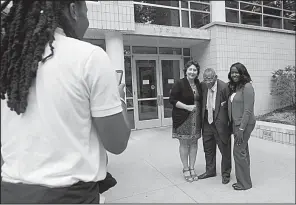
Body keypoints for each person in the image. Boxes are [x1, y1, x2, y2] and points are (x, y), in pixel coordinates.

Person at [0, 1, 131, 203]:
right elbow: (117, 142)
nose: (87, 21)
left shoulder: (8, 64)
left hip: (9, 194)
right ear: (73, 10)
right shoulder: (89, 57)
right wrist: (120, 99)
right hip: (69, 197)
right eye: (86, 13)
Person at [169, 60, 202, 182]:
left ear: (197, 72)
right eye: (190, 69)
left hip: (196, 119)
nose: (192, 72)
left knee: (194, 143)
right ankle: (185, 168)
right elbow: (172, 100)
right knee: (184, 143)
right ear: (186, 71)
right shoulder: (180, 83)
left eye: (195, 70)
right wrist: (187, 107)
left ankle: (192, 168)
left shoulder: (198, 83)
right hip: (183, 118)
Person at [198, 68, 232, 184]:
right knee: (208, 147)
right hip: (207, 120)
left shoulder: (224, 87)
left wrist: (230, 125)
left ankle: (226, 174)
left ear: (216, 77)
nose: (207, 82)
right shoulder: (202, 85)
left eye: (210, 79)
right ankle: (210, 171)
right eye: (205, 79)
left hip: (220, 121)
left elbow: (230, 107)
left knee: (224, 149)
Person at [227, 62, 256, 191]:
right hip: (237, 124)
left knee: (238, 152)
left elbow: (248, 110)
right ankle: (245, 180)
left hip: (244, 125)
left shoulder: (247, 87)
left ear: (242, 73)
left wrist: (241, 129)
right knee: (243, 151)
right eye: (232, 72)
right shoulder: (237, 87)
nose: (234, 74)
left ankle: (244, 184)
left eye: (236, 72)